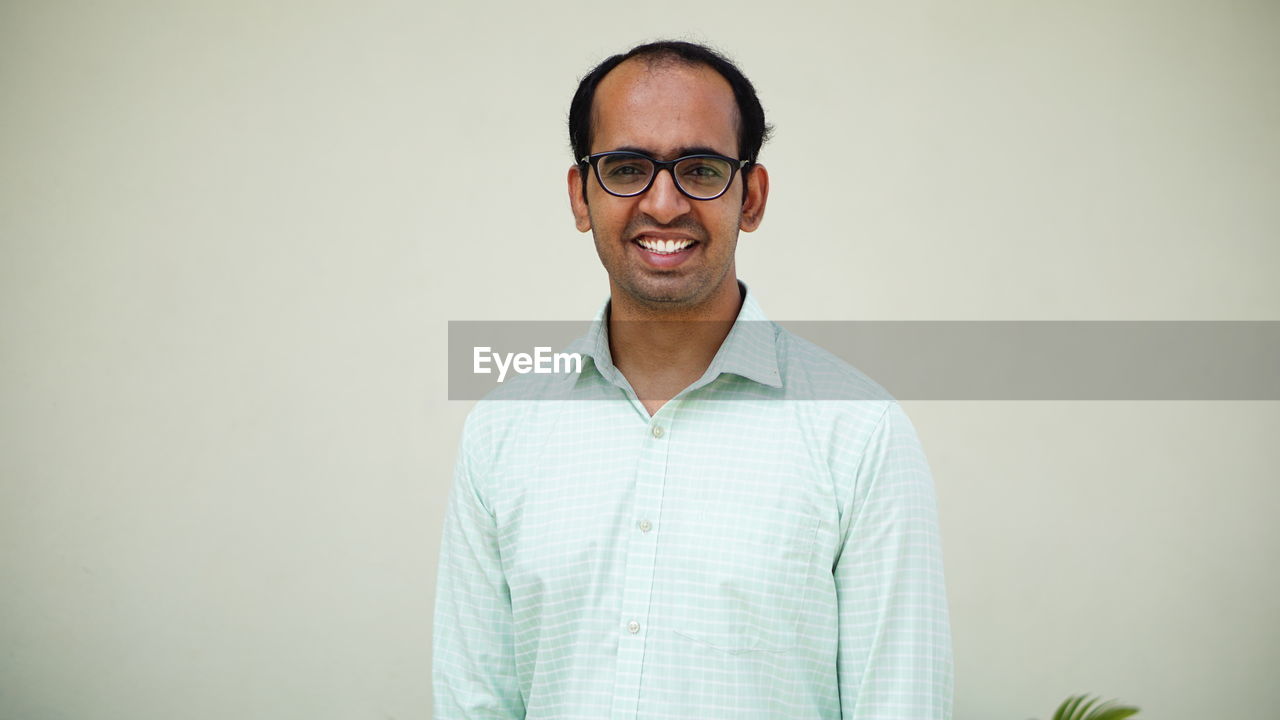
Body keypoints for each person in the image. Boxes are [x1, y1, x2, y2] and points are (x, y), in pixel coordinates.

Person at [433, 40, 953, 719]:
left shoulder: (859, 431)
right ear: (580, 196)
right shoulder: (501, 433)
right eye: (625, 167)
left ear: (752, 196)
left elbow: (901, 704)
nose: (664, 203)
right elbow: (475, 704)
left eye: (701, 169)